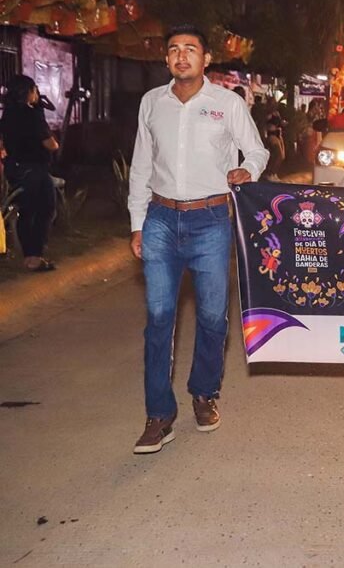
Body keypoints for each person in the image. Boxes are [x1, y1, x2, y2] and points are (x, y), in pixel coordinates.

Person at [127, 24, 269, 455]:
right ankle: (158, 415)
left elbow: (257, 150)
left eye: (191, 49)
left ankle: (204, 393)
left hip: (211, 219)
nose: (181, 56)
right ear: (166, 59)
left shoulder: (226, 103)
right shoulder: (152, 103)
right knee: (159, 318)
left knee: (211, 317)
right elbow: (141, 166)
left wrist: (249, 172)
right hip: (160, 219)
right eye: (174, 49)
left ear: (206, 59)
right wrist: (137, 222)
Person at [0, 75, 59, 271]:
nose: (37, 94)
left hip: (15, 169)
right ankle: (35, 256)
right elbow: (50, 144)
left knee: (27, 212)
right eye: (35, 89)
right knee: (46, 209)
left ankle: (29, 257)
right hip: (35, 169)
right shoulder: (32, 115)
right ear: (28, 92)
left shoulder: (7, 115)